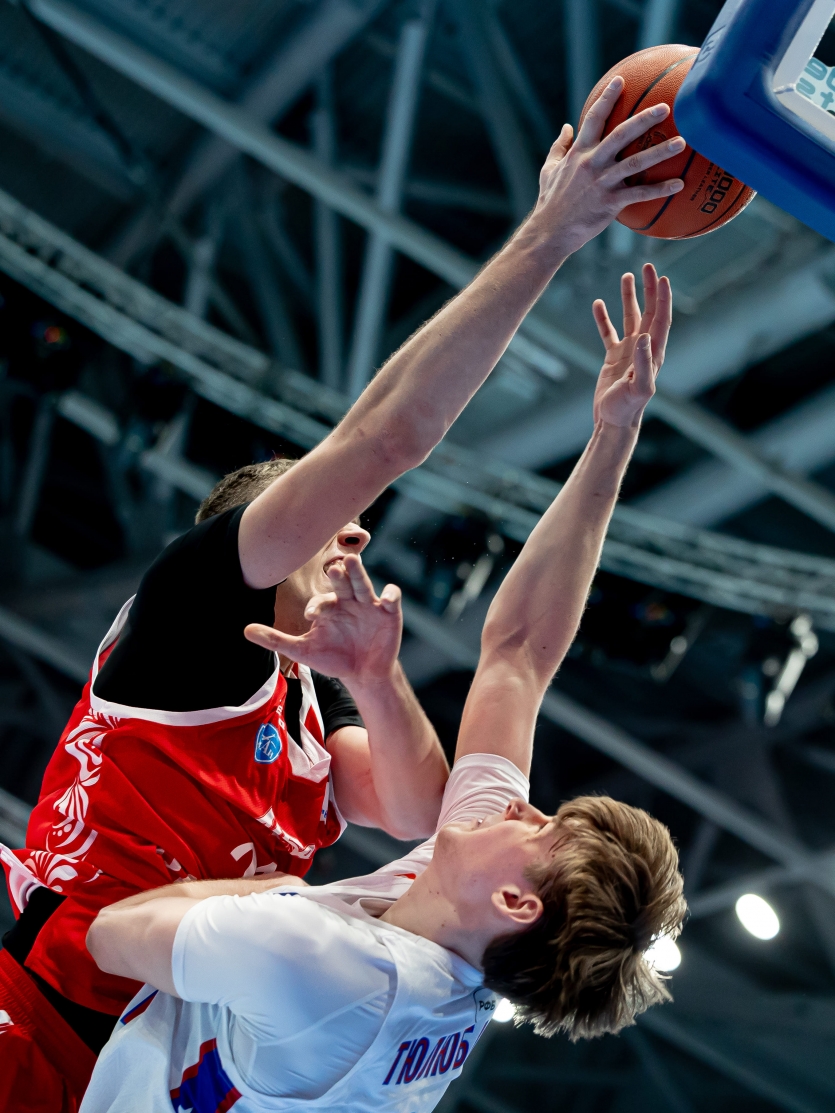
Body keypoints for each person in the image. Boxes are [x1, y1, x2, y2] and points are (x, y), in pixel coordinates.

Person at [0, 76, 688, 1110]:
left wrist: (555, 229)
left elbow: (381, 447)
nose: (353, 522)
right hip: (69, 1018)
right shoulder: (192, 622)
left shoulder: (366, 951)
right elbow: (504, 674)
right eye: (326, 511)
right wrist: (612, 434)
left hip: (104, 1016)